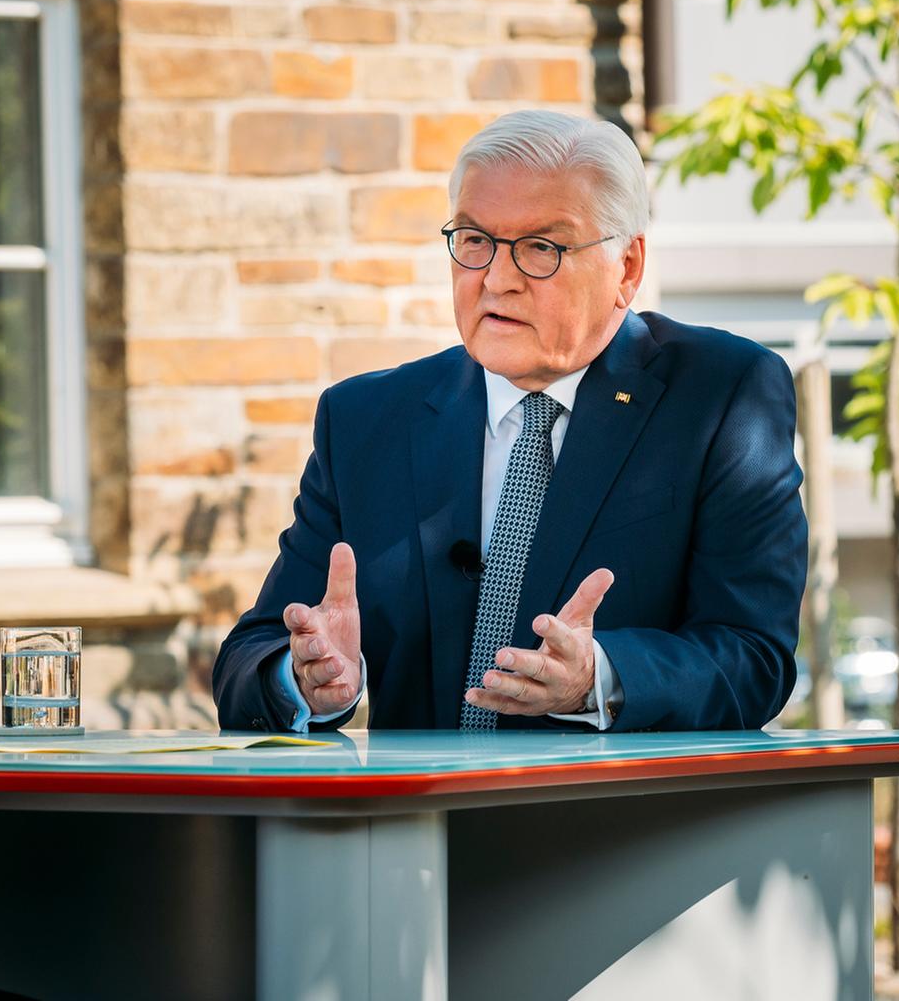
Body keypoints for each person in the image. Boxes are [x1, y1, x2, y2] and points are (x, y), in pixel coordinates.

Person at [213, 110, 808, 734]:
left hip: (614, 820)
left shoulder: (722, 397)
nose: (497, 279)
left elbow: (754, 656)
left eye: (540, 248)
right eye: (474, 241)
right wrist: (305, 678)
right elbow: (248, 659)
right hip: (411, 823)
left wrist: (600, 678)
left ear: (626, 268)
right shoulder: (365, 421)